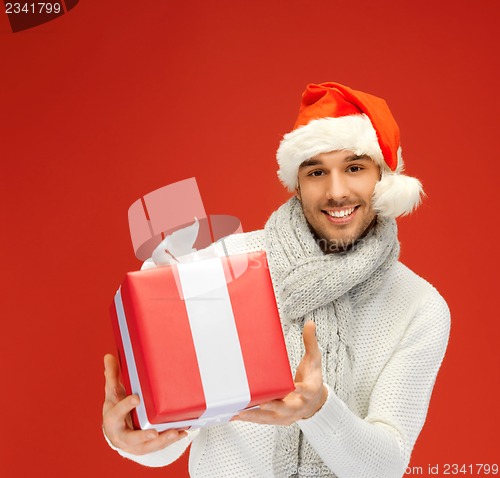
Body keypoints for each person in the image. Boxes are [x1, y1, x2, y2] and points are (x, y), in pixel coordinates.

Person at [102, 82, 450, 478]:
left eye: (354, 168)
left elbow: (384, 467)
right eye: (317, 171)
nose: (336, 192)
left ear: (383, 179)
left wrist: (319, 409)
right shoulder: (223, 266)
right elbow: (172, 435)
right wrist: (131, 434)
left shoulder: (420, 307)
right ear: (297, 185)